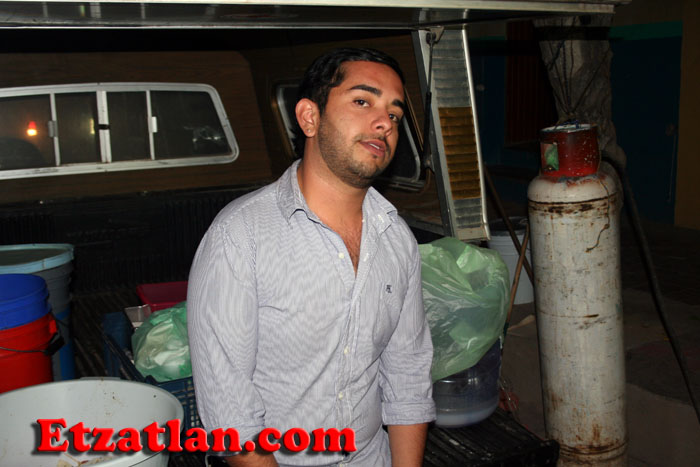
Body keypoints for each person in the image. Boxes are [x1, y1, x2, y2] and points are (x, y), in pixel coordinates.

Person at [188, 47, 435, 467]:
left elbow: (407, 376)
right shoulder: (239, 237)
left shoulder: (397, 239)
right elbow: (230, 417)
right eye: (363, 101)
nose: (384, 123)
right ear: (309, 117)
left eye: (394, 114)